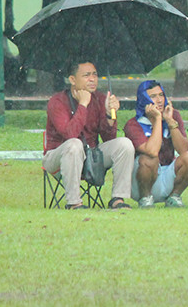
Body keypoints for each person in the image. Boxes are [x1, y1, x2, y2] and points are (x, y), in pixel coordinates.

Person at [42, 61, 135, 209]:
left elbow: (108, 139)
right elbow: (70, 134)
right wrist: (83, 105)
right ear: (72, 80)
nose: (92, 79)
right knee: (74, 144)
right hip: (58, 158)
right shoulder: (57, 101)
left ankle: (118, 199)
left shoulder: (99, 98)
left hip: (91, 157)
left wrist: (110, 116)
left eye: (95, 75)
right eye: (86, 75)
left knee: (124, 144)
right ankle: (74, 202)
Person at [123, 80, 188, 208]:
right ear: (143, 99)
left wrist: (170, 121)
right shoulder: (133, 124)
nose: (159, 100)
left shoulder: (173, 115)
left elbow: (183, 150)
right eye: (153, 96)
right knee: (149, 158)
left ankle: (174, 197)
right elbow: (152, 151)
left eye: (161, 95)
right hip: (142, 179)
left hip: (167, 173)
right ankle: (145, 199)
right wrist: (157, 120)